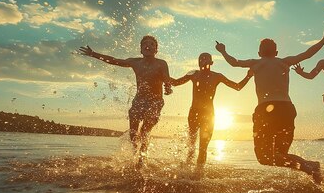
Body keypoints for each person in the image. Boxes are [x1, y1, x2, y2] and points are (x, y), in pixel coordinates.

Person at [214, 24, 324, 183]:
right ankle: (310, 166)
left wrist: (223, 51)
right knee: (280, 154)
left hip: (266, 110)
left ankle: (307, 167)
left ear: (259, 52)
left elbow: (234, 62)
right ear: (276, 52)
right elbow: (307, 54)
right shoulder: (285, 62)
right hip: (286, 109)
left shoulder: (255, 63)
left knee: (265, 158)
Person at [78, 36, 172, 168]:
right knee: (133, 133)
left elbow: (166, 78)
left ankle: (141, 158)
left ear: (156, 49)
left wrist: (168, 87)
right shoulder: (135, 62)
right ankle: (135, 155)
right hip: (139, 100)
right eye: (145, 44)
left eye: (151, 44)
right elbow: (114, 60)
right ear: (140, 49)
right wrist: (94, 54)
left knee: (145, 131)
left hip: (155, 101)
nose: (148, 46)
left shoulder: (161, 63)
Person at [170, 53, 253, 176]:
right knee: (191, 145)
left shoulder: (217, 76)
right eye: (200, 59)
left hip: (209, 115)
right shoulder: (193, 74)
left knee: (203, 147)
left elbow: (237, 87)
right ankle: (186, 173)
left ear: (212, 62)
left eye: (206, 58)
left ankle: (198, 174)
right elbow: (176, 82)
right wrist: (162, 76)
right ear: (198, 63)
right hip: (194, 113)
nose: (203, 60)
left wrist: (248, 76)